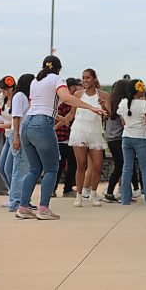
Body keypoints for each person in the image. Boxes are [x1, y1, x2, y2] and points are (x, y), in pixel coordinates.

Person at [15, 55, 107, 220]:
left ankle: (23, 207)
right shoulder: (57, 79)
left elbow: (36, 106)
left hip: (27, 124)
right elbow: (66, 98)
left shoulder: (35, 81)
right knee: (51, 168)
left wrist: (60, 118)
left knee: (34, 169)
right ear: (58, 68)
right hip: (42, 125)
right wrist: (91, 107)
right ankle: (43, 209)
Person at [68, 68, 110, 207]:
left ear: (94, 79)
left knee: (97, 166)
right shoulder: (78, 94)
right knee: (81, 164)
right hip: (79, 130)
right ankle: (79, 195)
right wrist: (59, 122)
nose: (85, 80)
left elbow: (108, 116)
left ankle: (93, 193)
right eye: (83, 78)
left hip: (95, 131)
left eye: (88, 78)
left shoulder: (103, 95)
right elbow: (72, 114)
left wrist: (103, 105)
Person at [117, 79, 146, 205]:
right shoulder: (144, 104)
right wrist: (145, 129)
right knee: (145, 168)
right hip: (140, 137)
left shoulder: (123, 103)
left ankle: (125, 199)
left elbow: (123, 122)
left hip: (126, 137)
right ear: (139, 89)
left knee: (127, 168)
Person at [8, 73, 35, 212]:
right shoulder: (19, 96)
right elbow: (16, 118)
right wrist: (16, 137)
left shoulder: (26, 98)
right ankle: (15, 201)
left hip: (24, 134)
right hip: (18, 134)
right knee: (19, 169)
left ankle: (22, 200)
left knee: (23, 169)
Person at [53, 77, 80, 198]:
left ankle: (67, 188)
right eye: (75, 86)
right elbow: (66, 118)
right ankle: (54, 189)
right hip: (62, 138)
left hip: (71, 138)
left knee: (72, 165)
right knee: (59, 165)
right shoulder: (64, 104)